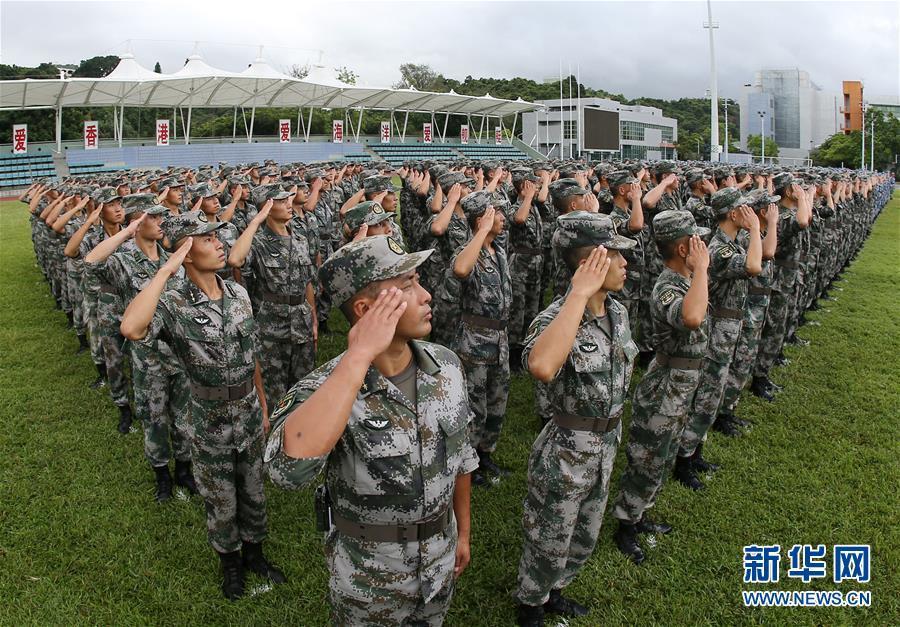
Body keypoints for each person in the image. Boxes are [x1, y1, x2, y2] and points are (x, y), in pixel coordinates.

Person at [264, 235, 478, 625]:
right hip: (369, 582)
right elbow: (285, 472)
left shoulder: (445, 367)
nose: (426, 295)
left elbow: (461, 457)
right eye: (410, 285)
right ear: (366, 309)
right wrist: (360, 355)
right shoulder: (326, 390)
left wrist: (462, 532)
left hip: (439, 562)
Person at [120, 212, 285, 600]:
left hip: (246, 410)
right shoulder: (173, 302)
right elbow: (131, 328)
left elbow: (253, 354)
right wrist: (165, 272)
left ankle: (256, 555)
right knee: (220, 497)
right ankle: (230, 565)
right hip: (208, 419)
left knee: (253, 489)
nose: (218, 243)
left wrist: (262, 403)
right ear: (186, 253)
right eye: (207, 239)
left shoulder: (238, 294)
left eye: (216, 237)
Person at [515, 212, 637, 627]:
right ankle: (531, 604)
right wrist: (578, 296)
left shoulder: (617, 313)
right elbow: (543, 367)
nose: (625, 265)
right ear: (592, 263)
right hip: (567, 451)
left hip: (605, 445)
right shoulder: (555, 318)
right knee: (549, 535)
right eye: (616, 256)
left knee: (583, 534)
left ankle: (556, 592)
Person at [610, 210, 710, 564]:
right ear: (684, 249)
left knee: (664, 453)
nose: (704, 245)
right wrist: (703, 270)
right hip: (666, 385)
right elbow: (692, 317)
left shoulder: (687, 279)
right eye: (697, 240)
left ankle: (641, 512)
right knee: (647, 456)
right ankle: (626, 523)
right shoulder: (669, 285)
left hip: (684, 382)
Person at [84, 193, 195, 502]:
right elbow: (90, 263)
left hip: (180, 354)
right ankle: (162, 476)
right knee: (154, 418)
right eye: (153, 217)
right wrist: (125, 233)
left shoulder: (169, 257)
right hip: (149, 357)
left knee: (184, 418)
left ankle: (184, 470)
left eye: (162, 217)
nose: (161, 222)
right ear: (138, 222)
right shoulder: (123, 261)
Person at [676, 187, 762, 490]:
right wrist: (755, 229)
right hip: (716, 329)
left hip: (729, 325)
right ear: (732, 213)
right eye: (743, 209)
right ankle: (683, 459)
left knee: (712, 393)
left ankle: (694, 450)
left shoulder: (734, 242)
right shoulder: (719, 249)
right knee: (706, 394)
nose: (749, 213)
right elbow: (754, 266)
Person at [228, 186, 318, 404]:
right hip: (272, 329)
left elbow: (307, 283)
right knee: (275, 391)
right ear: (266, 207)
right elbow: (235, 260)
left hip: (302, 322)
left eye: (288, 198)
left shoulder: (299, 238)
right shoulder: (258, 242)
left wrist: (313, 319)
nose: (289, 203)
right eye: (281, 201)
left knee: (304, 386)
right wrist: (255, 222)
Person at [452, 191, 512, 486]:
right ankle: (469, 464)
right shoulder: (470, 252)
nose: (503, 218)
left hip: (499, 340)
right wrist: (481, 233)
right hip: (475, 343)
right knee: (475, 405)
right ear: (481, 220)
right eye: (497, 214)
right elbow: (461, 269)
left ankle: (486, 454)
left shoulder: (498, 251)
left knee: (496, 401)